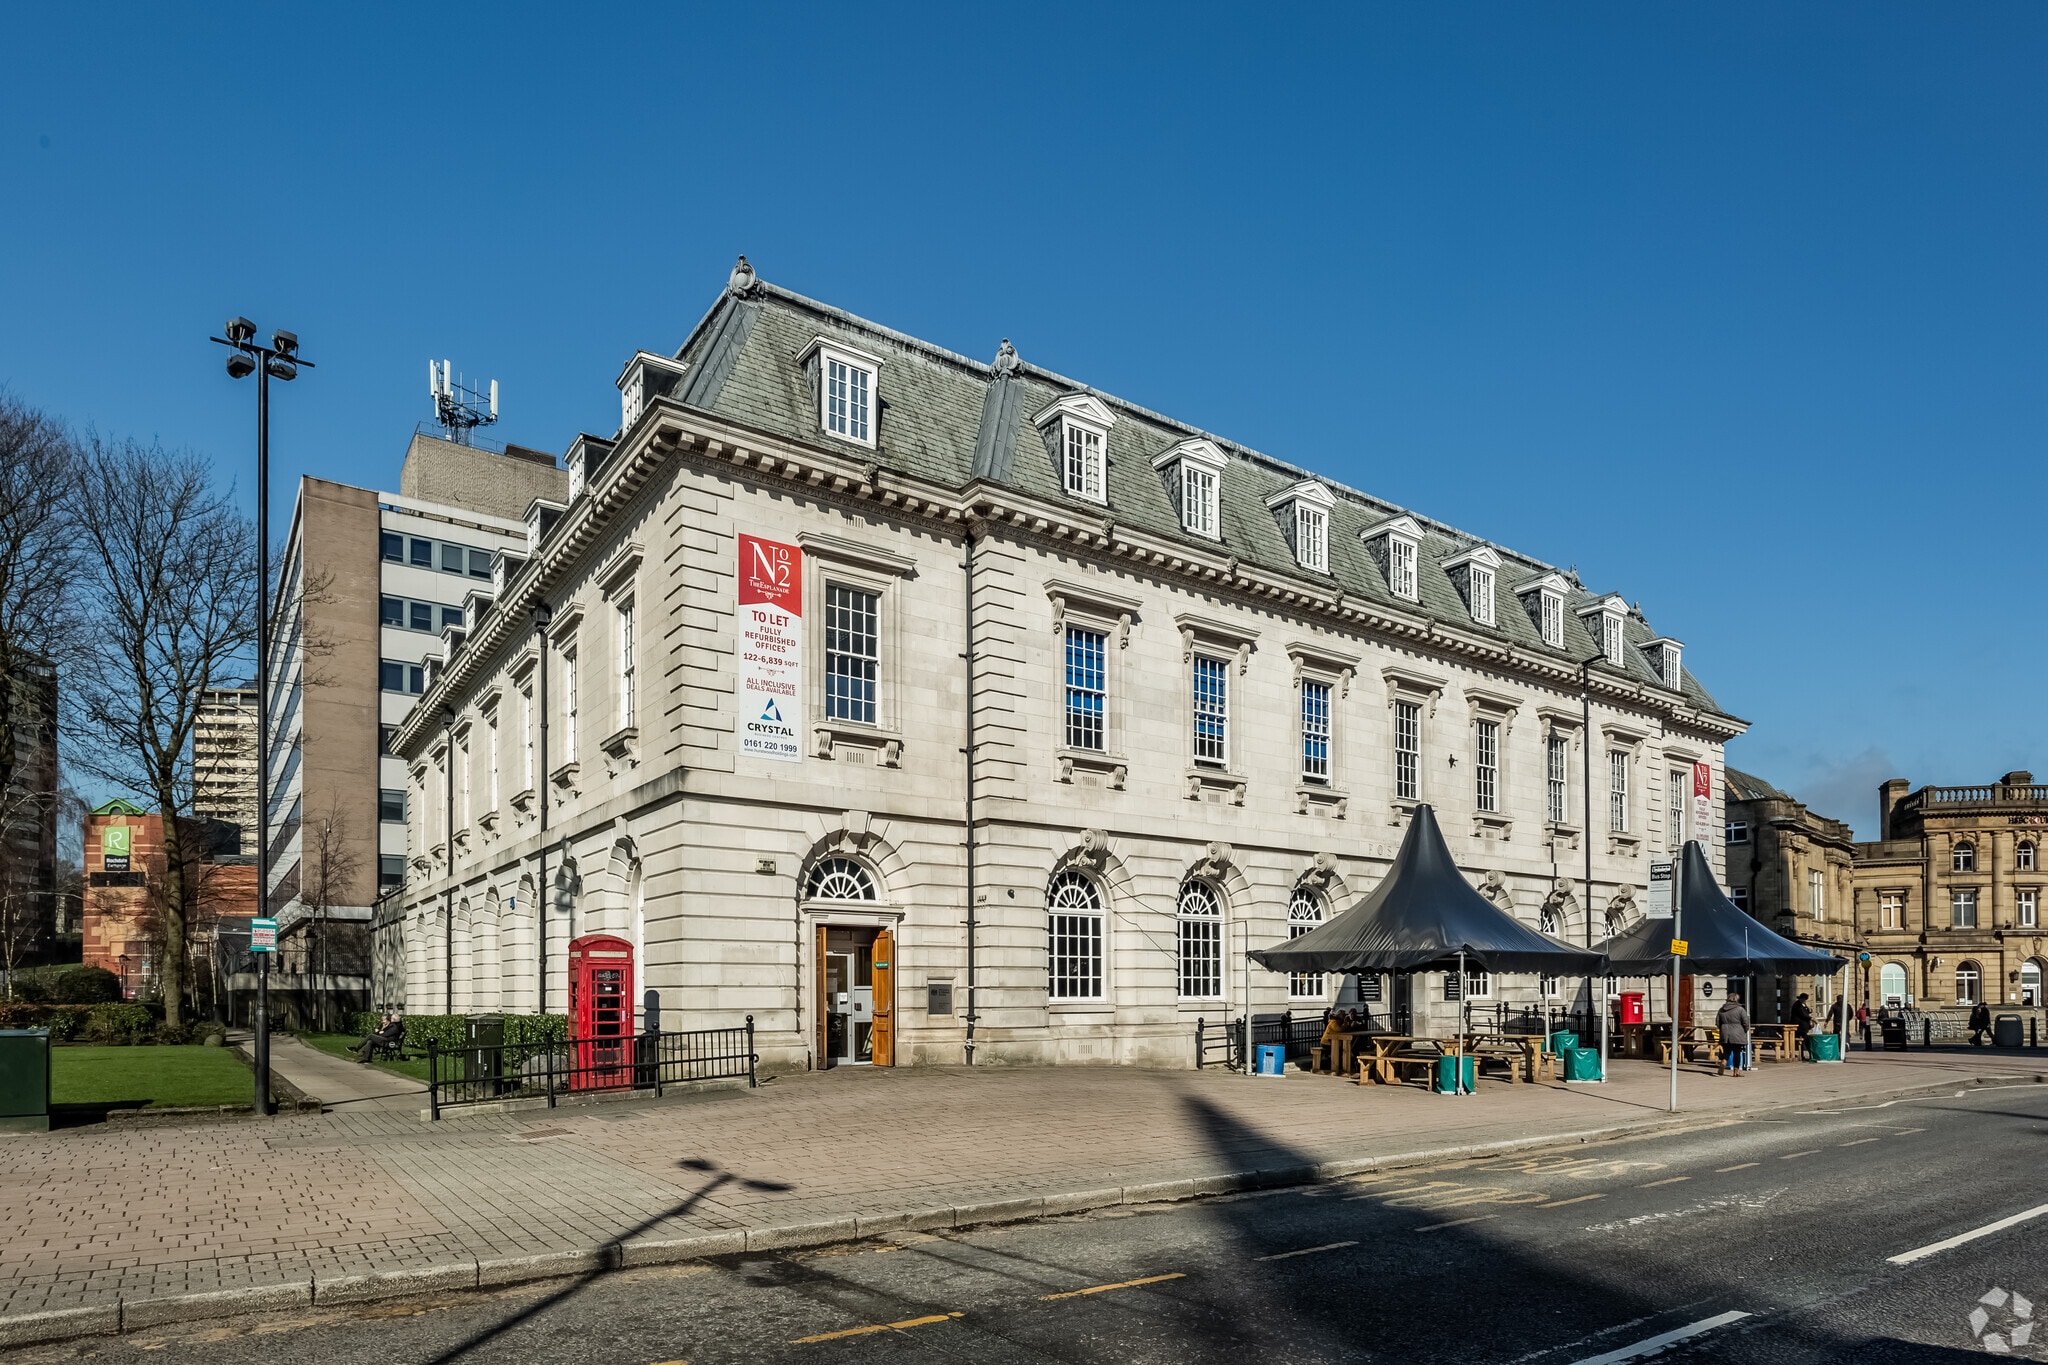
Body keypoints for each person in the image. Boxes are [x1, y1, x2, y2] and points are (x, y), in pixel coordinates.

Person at [1716, 995, 1752, 1076]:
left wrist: (1723, 1029)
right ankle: (1736, 1071)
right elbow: (1746, 1022)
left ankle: (1724, 1062)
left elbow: (1717, 1023)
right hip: (1737, 1033)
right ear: (1737, 1000)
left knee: (1727, 1050)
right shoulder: (1740, 1009)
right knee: (1737, 1052)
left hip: (1725, 1033)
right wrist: (1744, 1030)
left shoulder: (1721, 1010)